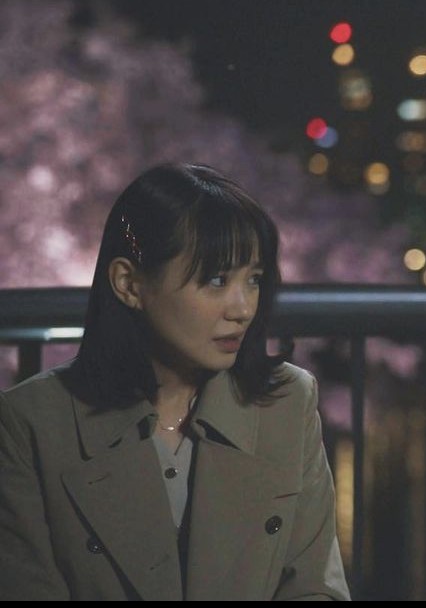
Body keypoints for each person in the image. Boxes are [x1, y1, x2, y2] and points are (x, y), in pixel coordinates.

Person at [0, 163, 350, 600]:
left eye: (254, 280)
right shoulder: (31, 422)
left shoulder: (286, 401)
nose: (243, 308)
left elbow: (315, 587)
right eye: (217, 280)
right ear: (129, 284)